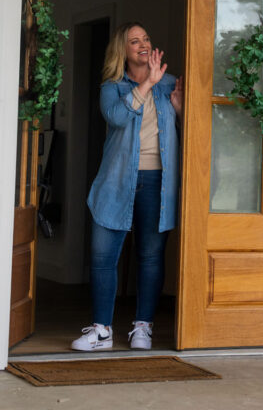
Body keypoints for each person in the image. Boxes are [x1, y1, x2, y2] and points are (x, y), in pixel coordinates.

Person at [72, 22, 183, 352]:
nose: (143, 44)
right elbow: (118, 118)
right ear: (123, 51)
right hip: (117, 181)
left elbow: (194, 130)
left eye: (146, 38)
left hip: (157, 182)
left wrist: (178, 109)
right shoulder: (112, 87)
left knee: (150, 256)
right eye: (134, 41)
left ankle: (142, 327)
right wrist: (147, 83)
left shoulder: (169, 84)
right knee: (103, 257)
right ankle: (102, 331)